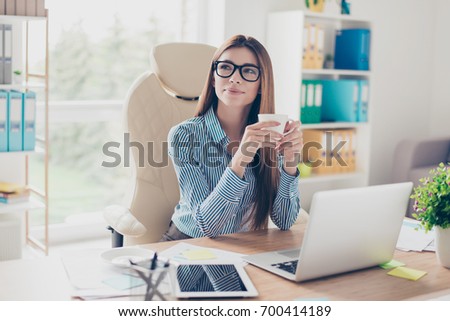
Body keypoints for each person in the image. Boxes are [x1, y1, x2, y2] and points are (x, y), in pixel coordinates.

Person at [160, 34, 302, 241]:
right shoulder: (184, 135)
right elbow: (207, 226)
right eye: (226, 67)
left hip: (241, 246)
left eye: (249, 71)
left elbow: (285, 220)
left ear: (262, 84)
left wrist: (290, 161)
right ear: (213, 77)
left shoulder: (271, 134)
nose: (235, 78)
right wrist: (240, 160)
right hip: (189, 244)